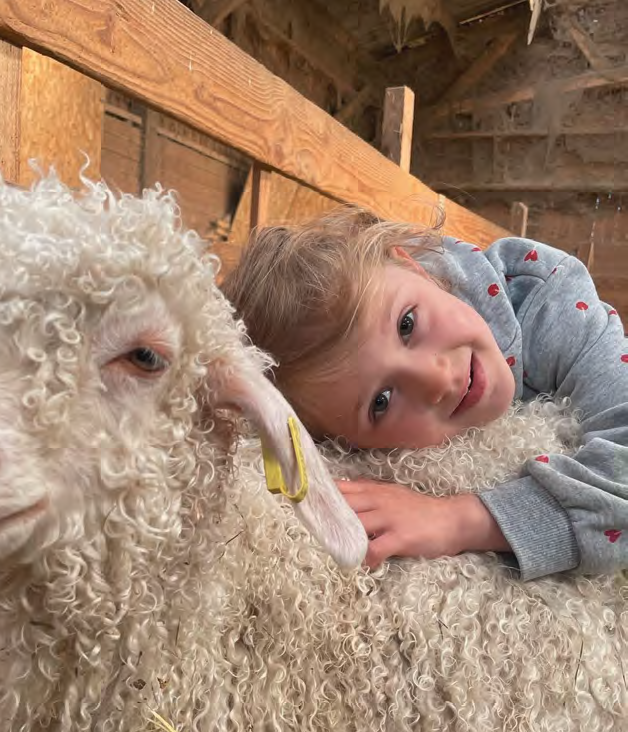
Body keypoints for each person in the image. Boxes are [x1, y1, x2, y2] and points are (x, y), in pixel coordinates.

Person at [221, 206, 627, 579]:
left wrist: (459, 520)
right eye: (381, 401)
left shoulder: (552, 302)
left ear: (416, 267)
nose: (435, 379)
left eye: (407, 325)